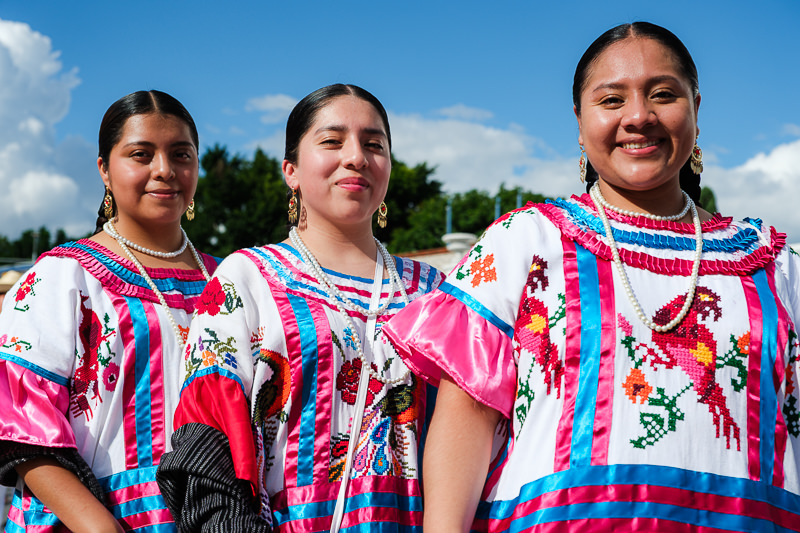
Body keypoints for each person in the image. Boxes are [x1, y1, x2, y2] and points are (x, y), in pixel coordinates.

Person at [382, 22, 800, 532]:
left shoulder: (773, 263)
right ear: (580, 124)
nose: (639, 117)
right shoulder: (526, 243)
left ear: (696, 109)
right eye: (611, 100)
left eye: (663, 94)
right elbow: (467, 419)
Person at [156, 84, 444, 532]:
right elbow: (209, 439)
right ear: (290, 170)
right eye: (332, 141)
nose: (356, 157)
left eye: (374, 145)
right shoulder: (247, 278)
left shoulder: (435, 292)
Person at [0, 90, 218, 532]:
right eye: (141, 154)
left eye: (181, 154)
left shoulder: (231, 281)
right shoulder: (64, 277)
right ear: (104, 168)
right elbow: (23, 426)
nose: (165, 170)